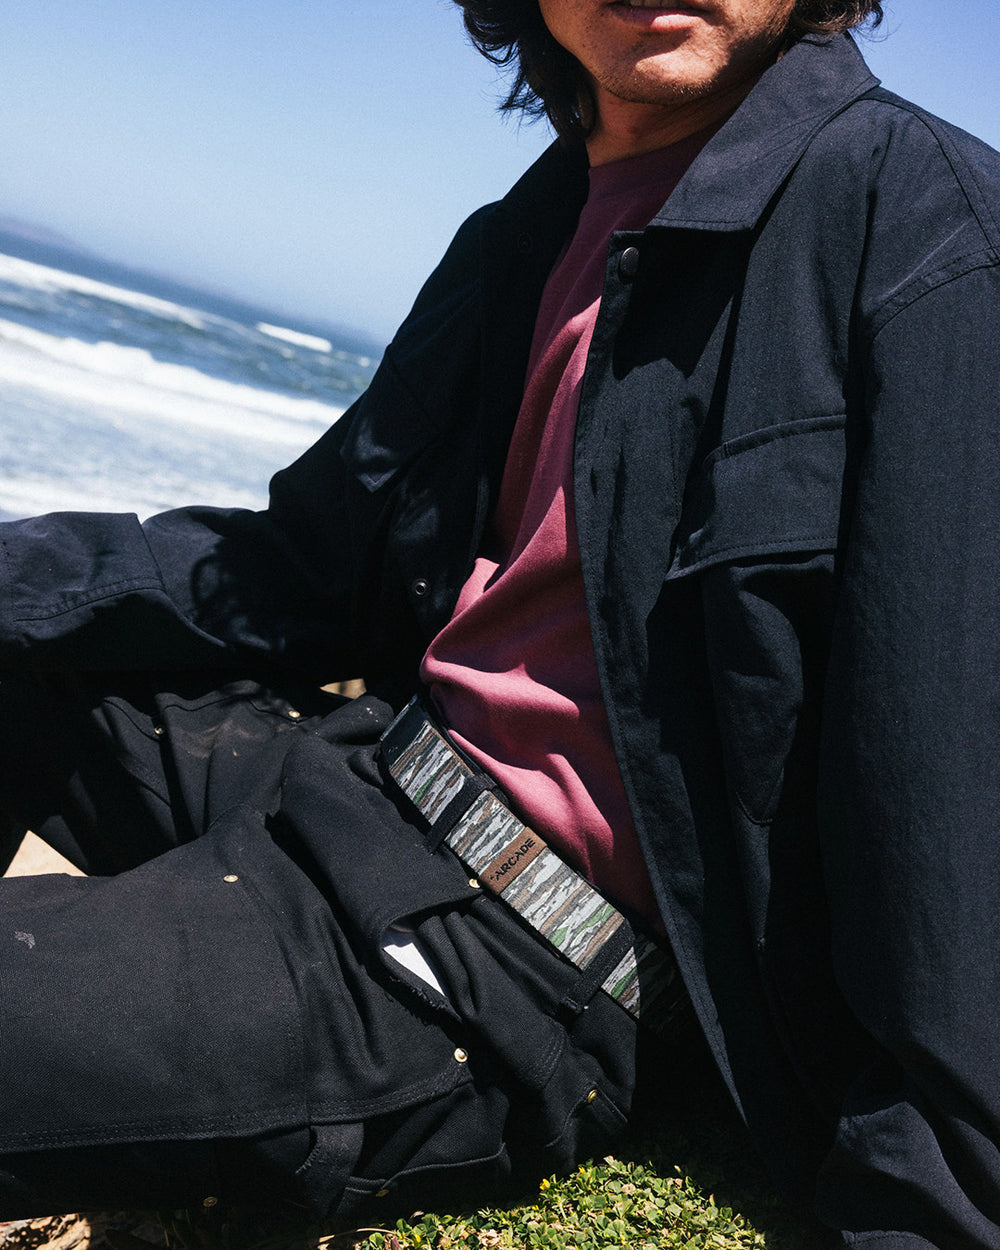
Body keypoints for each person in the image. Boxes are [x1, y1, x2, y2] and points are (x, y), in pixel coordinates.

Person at [0, 1, 999, 1245]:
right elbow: (302, 572)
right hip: (365, 783)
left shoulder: (926, 237)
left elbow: (957, 818)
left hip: (515, 963)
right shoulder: (529, 230)